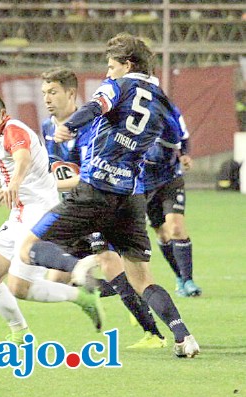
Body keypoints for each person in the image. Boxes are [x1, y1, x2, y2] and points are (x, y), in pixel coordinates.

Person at [19, 33, 200, 358]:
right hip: (132, 198)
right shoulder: (163, 101)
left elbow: (95, 105)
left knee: (28, 249)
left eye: (111, 66)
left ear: (127, 65)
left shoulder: (119, 87)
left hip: (95, 189)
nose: (107, 72)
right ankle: (184, 337)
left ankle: (78, 267)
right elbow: (174, 142)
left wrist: (70, 126)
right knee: (143, 279)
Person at [0, 91, 104, 345]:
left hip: (40, 210)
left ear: (2, 114)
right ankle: (22, 331)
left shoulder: (14, 131)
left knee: (19, 287)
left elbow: (21, 158)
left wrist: (13, 183)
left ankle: (80, 291)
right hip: (19, 214)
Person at [38, 66, 167, 349]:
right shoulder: (48, 127)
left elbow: (90, 176)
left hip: (99, 203)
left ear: (71, 93)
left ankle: (153, 334)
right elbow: (55, 169)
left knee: (110, 262)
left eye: (53, 92)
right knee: (58, 280)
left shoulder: (92, 126)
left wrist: (46, 185)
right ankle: (130, 294)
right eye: (44, 92)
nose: (47, 98)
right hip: (73, 209)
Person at [144, 107, 202, 297]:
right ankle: (179, 276)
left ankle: (189, 280)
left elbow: (183, 135)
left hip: (170, 177)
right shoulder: (125, 107)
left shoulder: (167, 109)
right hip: (144, 183)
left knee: (176, 227)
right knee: (162, 234)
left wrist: (184, 154)